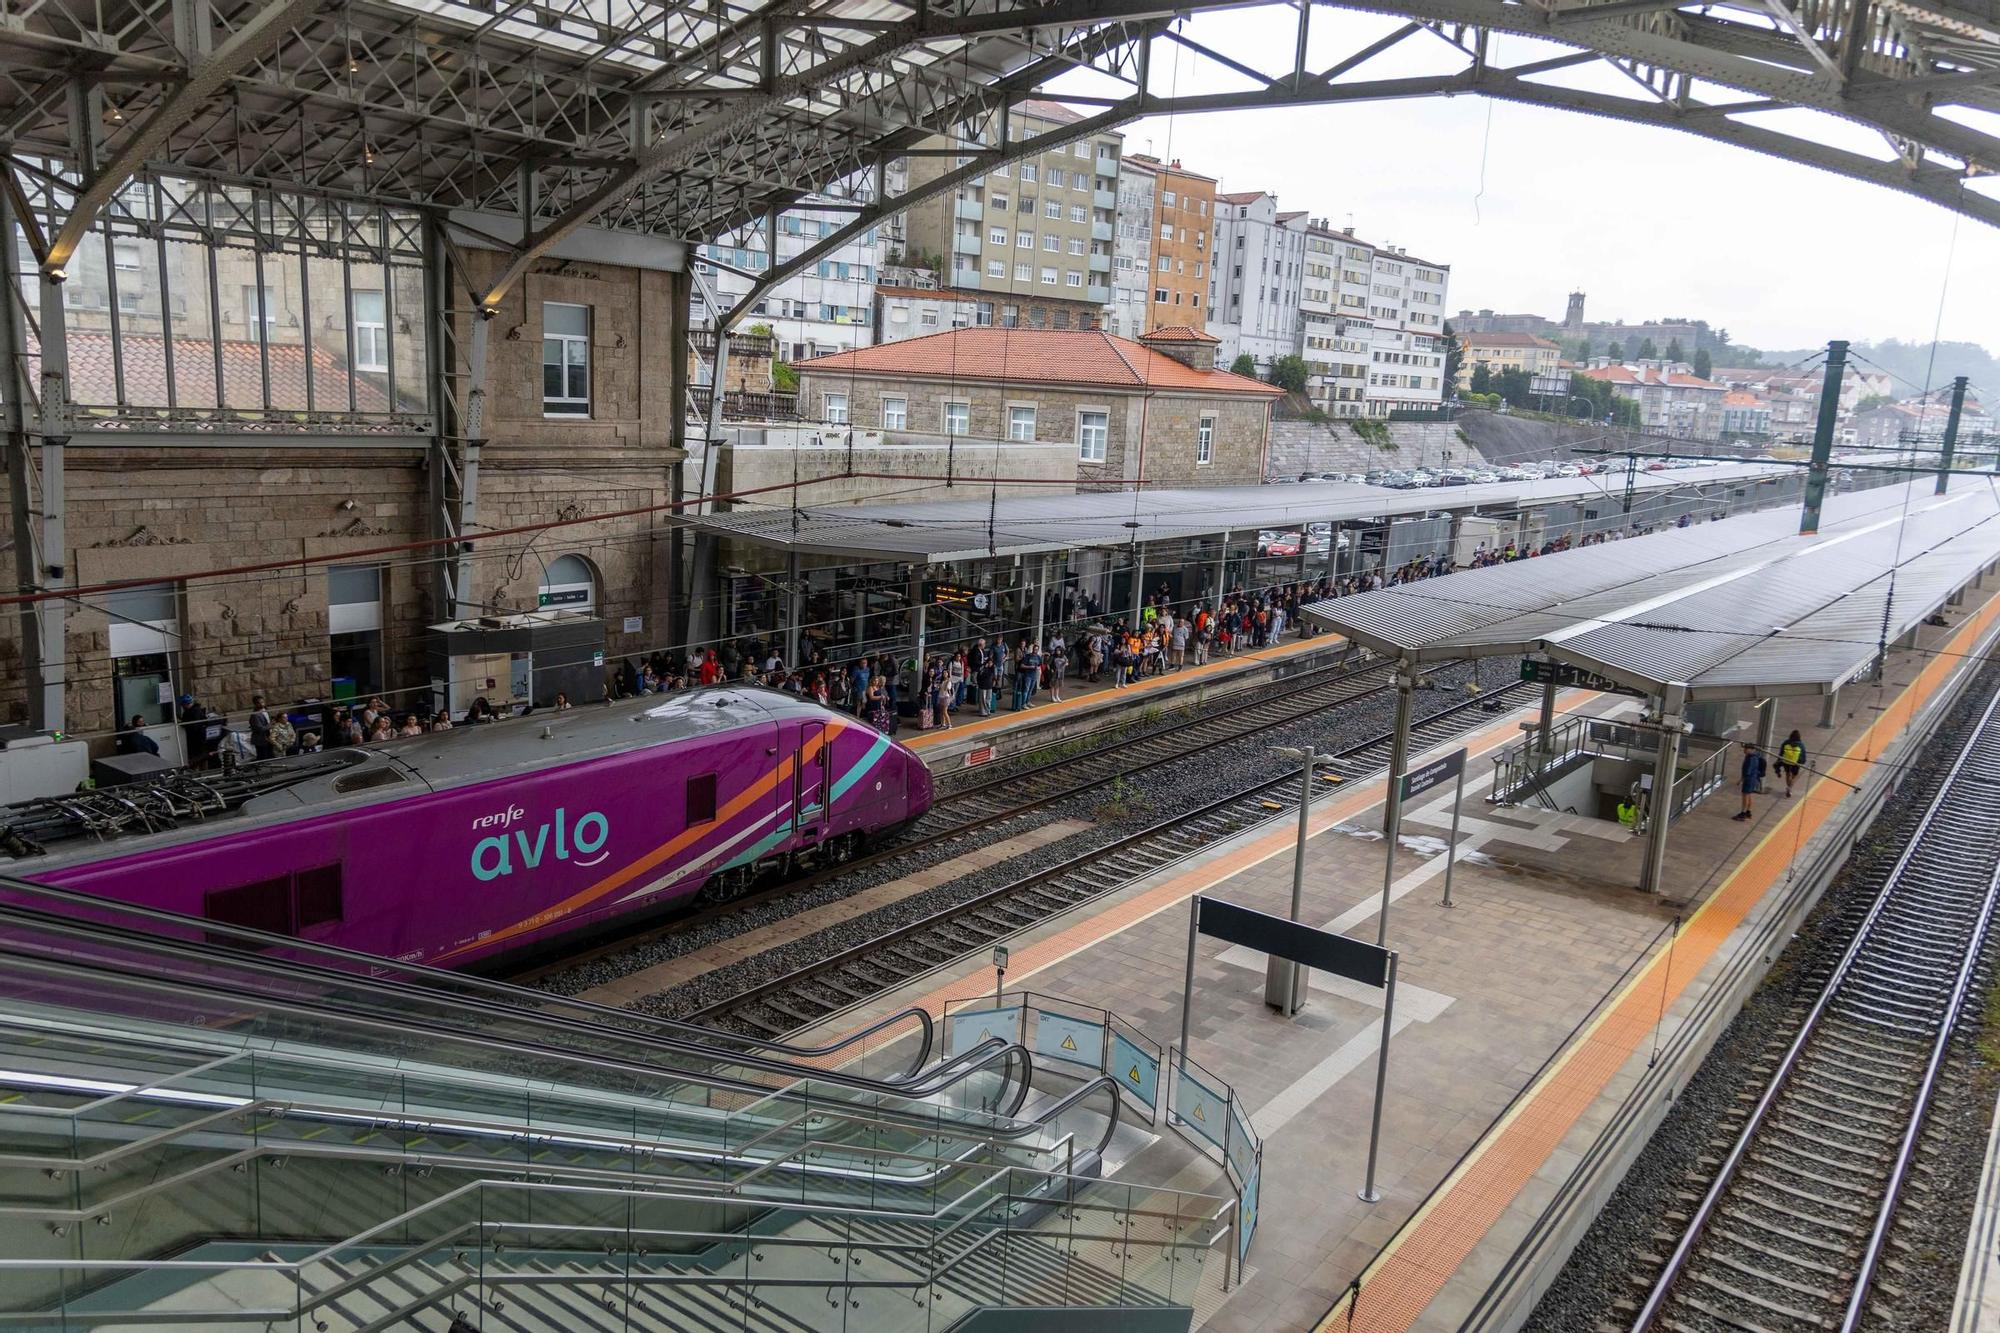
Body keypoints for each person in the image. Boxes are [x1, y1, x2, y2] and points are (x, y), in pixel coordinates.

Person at [1735, 743, 1765, 821]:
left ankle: (1743, 813)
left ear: (1751, 749)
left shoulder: (1751, 758)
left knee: (1745, 795)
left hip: (1749, 779)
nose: (1744, 750)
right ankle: (1748, 811)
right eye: (1744, 748)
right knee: (1749, 795)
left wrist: (1741, 779)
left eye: (1746, 749)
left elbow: (1747, 771)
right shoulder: (1755, 756)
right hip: (1753, 779)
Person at [1776, 730, 1806, 797]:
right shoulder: (1801, 744)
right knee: (1794, 776)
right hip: (1796, 763)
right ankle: (1789, 788)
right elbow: (1803, 754)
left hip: (1786, 761)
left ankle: (1788, 787)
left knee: (1787, 774)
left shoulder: (1786, 742)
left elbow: (1781, 752)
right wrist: (1802, 762)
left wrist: (1779, 760)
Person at [248, 694, 275, 760]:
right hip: (260, 739)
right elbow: (260, 728)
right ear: (255, 704)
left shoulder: (266, 710)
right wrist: (270, 725)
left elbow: (268, 720)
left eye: (262, 702)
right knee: (263, 756)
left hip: (268, 737)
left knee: (270, 754)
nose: (262, 704)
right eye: (259, 703)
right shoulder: (255, 715)